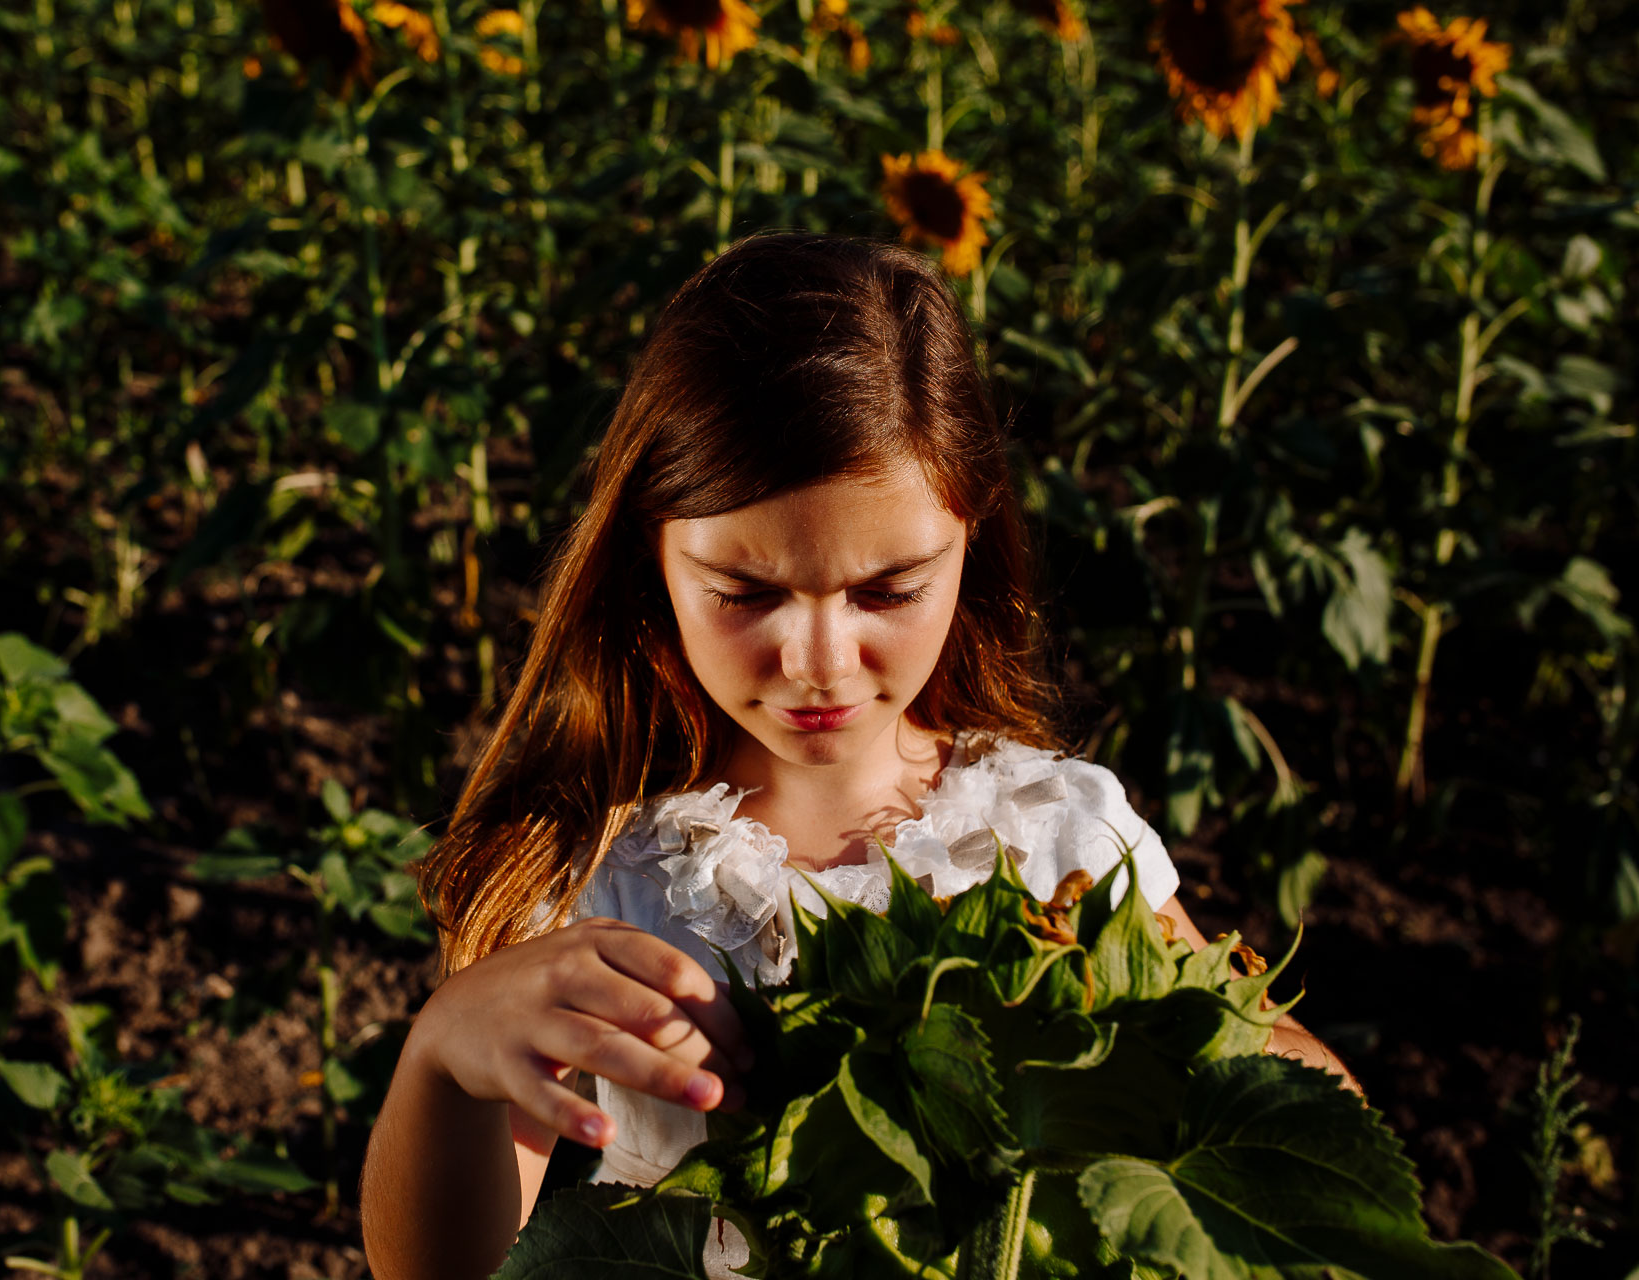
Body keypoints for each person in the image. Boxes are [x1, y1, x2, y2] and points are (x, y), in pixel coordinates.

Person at [359, 232, 1357, 1280]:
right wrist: (445, 1056)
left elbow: (1306, 1117)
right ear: (649, 553)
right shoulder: (596, 868)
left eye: (889, 590)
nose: (819, 660)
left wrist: (1185, 1059)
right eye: (744, 593)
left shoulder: (1054, 835)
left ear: (973, 540)